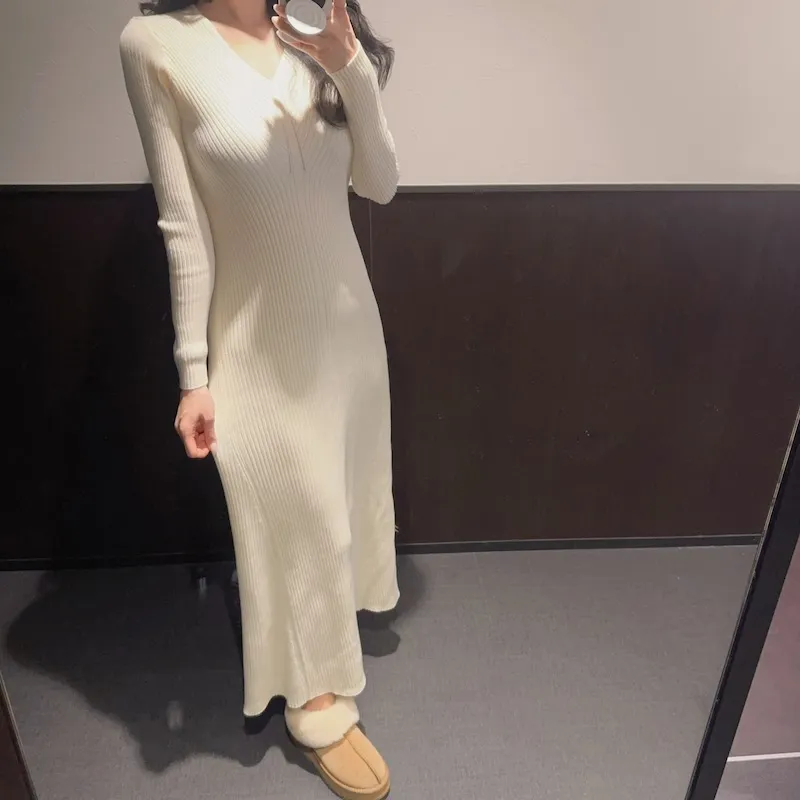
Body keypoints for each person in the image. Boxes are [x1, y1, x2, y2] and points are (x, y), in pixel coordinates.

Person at [119, 1, 399, 797]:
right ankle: (314, 700)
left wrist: (349, 67)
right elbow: (184, 226)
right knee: (299, 507)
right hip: (255, 347)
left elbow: (379, 183)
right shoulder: (156, 46)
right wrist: (194, 372)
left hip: (347, 328)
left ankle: (328, 634)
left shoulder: (313, 31)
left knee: (337, 496)